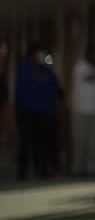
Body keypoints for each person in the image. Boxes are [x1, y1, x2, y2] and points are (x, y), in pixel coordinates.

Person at [14, 44, 61, 180]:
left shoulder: (48, 70)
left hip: (44, 112)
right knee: (25, 143)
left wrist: (54, 108)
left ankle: (41, 169)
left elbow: (54, 89)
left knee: (41, 142)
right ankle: (22, 171)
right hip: (27, 112)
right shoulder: (23, 69)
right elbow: (18, 91)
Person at [71, 44, 95, 177]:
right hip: (82, 109)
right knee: (80, 139)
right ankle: (77, 168)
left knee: (94, 141)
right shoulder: (81, 65)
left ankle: (91, 168)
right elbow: (90, 78)